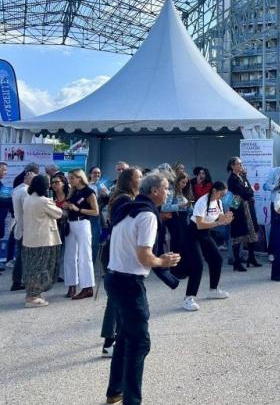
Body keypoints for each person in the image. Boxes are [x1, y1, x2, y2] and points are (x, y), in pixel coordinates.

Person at [104, 173, 180, 405]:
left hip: (114, 279)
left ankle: (115, 392)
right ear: (155, 191)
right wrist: (162, 262)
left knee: (126, 337)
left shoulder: (127, 209)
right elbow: (144, 256)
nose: (168, 192)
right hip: (128, 284)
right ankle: (131, 400)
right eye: (166, 188)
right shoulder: (147, 215)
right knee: (139, 344)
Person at [101, 167, 143, 358]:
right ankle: (109, 341)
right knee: (116, 297)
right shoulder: (124, 199)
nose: (142, 179)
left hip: (119, 251)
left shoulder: (125, 197)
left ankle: (117, 336)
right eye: (139, 177)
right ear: (129, 181)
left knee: (119, 296)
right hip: (117, 252)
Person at [176, 181, 233, 312]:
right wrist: (219, 223)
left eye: (224, 195)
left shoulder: (217, 202)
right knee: (198, 265)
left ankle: (213, 289)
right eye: (221, 194)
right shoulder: (202, 201)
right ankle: (188, 298)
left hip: (206, 233)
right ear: (214, 191)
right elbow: (200, 224)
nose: (222, 197)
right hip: (193, 233)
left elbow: (218, 216)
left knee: (217, 259)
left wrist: (226, 218)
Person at [21, 175, 64, 307]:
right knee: (41, 268)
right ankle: (33, 297)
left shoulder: (28, 198)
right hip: (43, 240)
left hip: (30, 240)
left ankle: (32, 294)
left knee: (31, 268)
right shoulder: (43, 201)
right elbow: (58, 214)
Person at [63, 168, 100, 300]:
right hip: (71, 223)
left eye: (72, 178)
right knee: (69, 256)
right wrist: (66, 208)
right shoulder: (73, 191)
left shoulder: (89, 192)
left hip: (82, 223)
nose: (70, 180)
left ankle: (87, 287)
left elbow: (96, 212)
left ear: (80, 178)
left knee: (85, 255)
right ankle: (71, 284)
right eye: (69, 178)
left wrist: (79, 209)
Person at [227, 157, 260, 270]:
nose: (241, 166)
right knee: (238, 234)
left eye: (241, 164)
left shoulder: (242, 177)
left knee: (252, 232)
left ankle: (251, 257)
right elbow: (245, 193)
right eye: (238, 164)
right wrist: (249, 191)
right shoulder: (232, 179)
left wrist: (249, 190)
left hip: (248, 207)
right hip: (239, 209)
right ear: (232, 166)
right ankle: (236, 261)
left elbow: (249, 190)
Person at [10, 170, 37, 291]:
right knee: (23, 256)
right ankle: (18, 281)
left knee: (21, 255)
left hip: (19, 226)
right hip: (25, 227)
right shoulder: (26, 191)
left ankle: (17, 281)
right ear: (28, 179)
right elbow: (28, 210)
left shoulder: (17, 189)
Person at [162, 172, 192, 256]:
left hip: (183, 221)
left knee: (182, 245)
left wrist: (190, 206)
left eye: (186, 183)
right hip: (175, 221)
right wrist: (179, 206)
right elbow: (165, 207)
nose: (184, 185)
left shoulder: (184, 193)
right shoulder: (171, 192)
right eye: (183, 182)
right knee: (176, 244)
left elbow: (188, 209)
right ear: (177, 181)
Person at [88, 166, 110, 262]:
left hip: (100, 217)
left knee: (97, 241)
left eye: (99, 173)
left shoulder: (103, 186)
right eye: (95, 172)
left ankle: (94, 260)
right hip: (88, 215)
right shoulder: (87, 186)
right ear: (90, 174)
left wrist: (105, 195)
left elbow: (108, 201)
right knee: (90, 240)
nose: (97, 174)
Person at [51, 173, 70, 282]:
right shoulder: (49, 196)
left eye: (57, 182)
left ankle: (62, 274)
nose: (54, 184)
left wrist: (63, 211)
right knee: (55, 251)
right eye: (52, 182)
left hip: (67, 226)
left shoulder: (69, 196)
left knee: (65, 251)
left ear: (63, 183)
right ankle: (54, 273)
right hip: (53, 227)